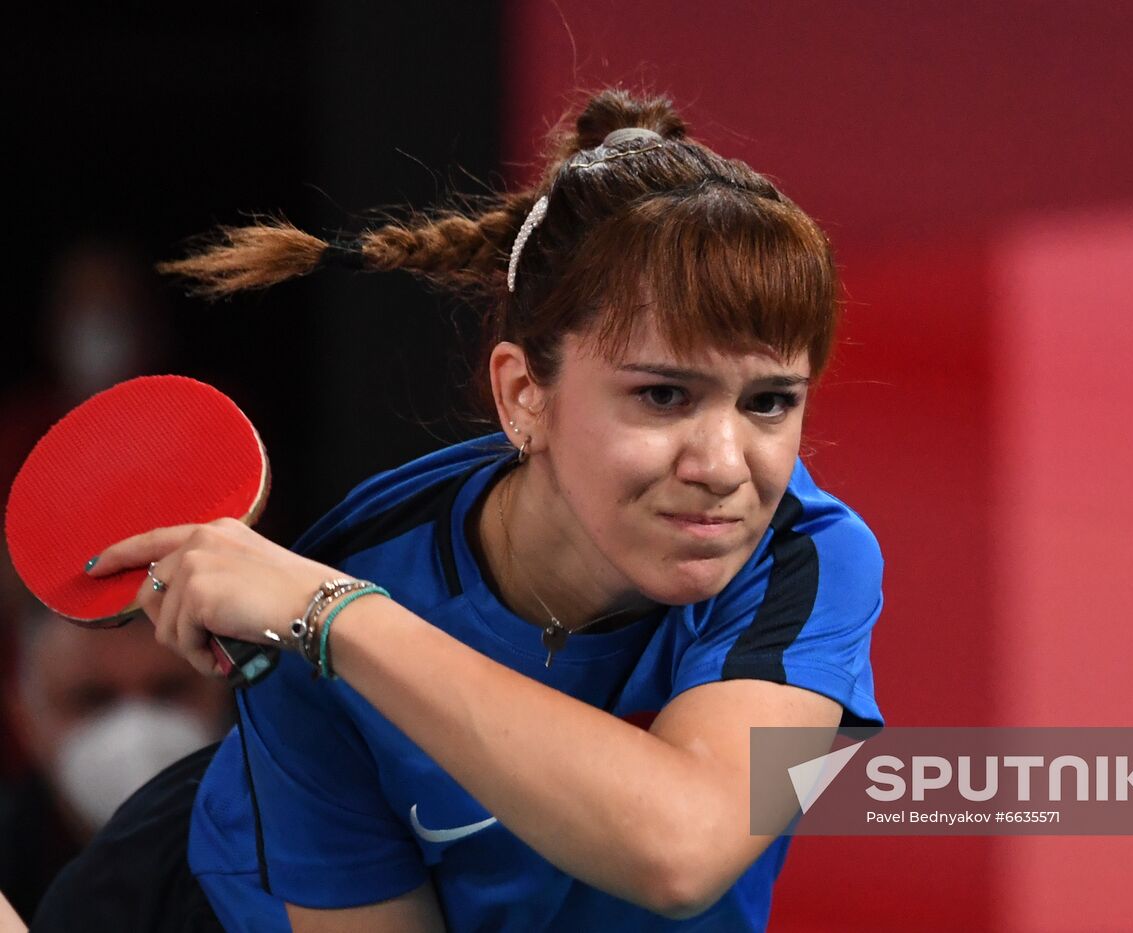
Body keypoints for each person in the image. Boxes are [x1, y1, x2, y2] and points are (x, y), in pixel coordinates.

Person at [71, 89, 882, 931]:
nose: (721, 466)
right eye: (664, 394)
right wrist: (327, 619)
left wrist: (334, 618)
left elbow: (680, 845)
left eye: (769, 403)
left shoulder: (806, 557)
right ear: (524, 394)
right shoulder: (345, 584)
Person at [1, 608, 230, 922]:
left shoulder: (293, 846)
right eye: (93, 699)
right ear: (24, 717)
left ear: (224, 695)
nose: (136, 728)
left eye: (169, 690)